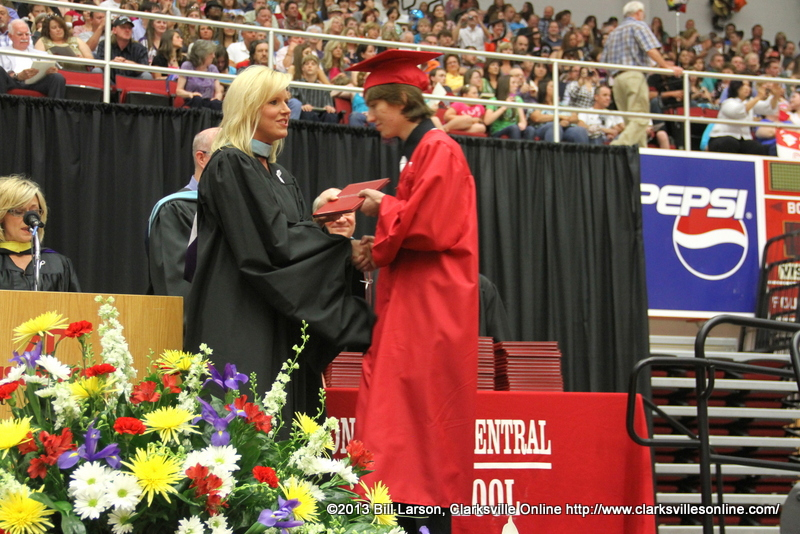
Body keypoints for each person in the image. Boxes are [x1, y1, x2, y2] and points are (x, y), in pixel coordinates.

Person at [184, 65, 373, 421]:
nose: (287, 110)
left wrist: (321, 227)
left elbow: (288, 237)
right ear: (248, 108)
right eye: (274, 102)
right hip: (242, 314)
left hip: (280, 316)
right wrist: (342, 249)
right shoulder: (230, 163)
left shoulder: (281, 174)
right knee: (249, 427)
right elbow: (268, 245)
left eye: (287, 101)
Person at [345, 49, 478, 534]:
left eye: (375, 104)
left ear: (401, 101)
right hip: (413, 300)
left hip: (431, 307)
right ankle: (395, 512)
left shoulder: (438, 148)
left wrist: (383, 206)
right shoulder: (420, 151)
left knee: (417, 418)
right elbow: (411, 227)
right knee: (399, 417)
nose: (369, 115)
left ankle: (417, 516)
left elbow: (432, 225)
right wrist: (376, 246)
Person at [147, 127, 219, 298]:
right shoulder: (175, 210)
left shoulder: (235, 207)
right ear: (201, 158)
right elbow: (179, 283)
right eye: (226, 155)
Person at [600, 1, 682, 147]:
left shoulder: (613, 33)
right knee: (640, 119)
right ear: (638, 13)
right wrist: (666, 66)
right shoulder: (638, 26)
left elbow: (603, 62)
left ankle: (639, 153)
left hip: (617, 80)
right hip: (634, 76)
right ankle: (617, 146)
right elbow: (650, 49)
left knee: (631, 122)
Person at [0, 176, 80, 292]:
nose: (28, 219)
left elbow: (74, 303)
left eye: (35, 212)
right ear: (2, 215)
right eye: (18, 211)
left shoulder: (58, 264)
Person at [708, 79, 781, 155]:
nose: (747, 88)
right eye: (743, 85)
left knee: (756, 147)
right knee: (730, 143)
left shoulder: (750, 102)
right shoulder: (728, 102)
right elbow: (737, 112)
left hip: (743, 139)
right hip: (722, 137)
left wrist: (775, 96)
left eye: (748, 85)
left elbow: (768, 109)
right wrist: (758, 97)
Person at [0, 19, 66, 98]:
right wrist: (18, 76)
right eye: (20, 34)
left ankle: (56, 106)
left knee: (57, 77)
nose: (24, 37)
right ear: (10, 36)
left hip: (35, 82)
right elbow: (3, 75)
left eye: (27, 34)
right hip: (12, 81)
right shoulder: (2, 52)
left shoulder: (41, 54)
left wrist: (49, 72)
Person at [94, 16, 152, 81]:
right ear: (114, 30)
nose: (127, 30)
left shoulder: (140, 48)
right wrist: (112, 63)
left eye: (129, 28)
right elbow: (97, 65)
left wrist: (131, 65)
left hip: (132, 83)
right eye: (123, 27)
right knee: (97, 71)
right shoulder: (105, 44)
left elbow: (146, 69)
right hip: (109, 81)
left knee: (147, 75)